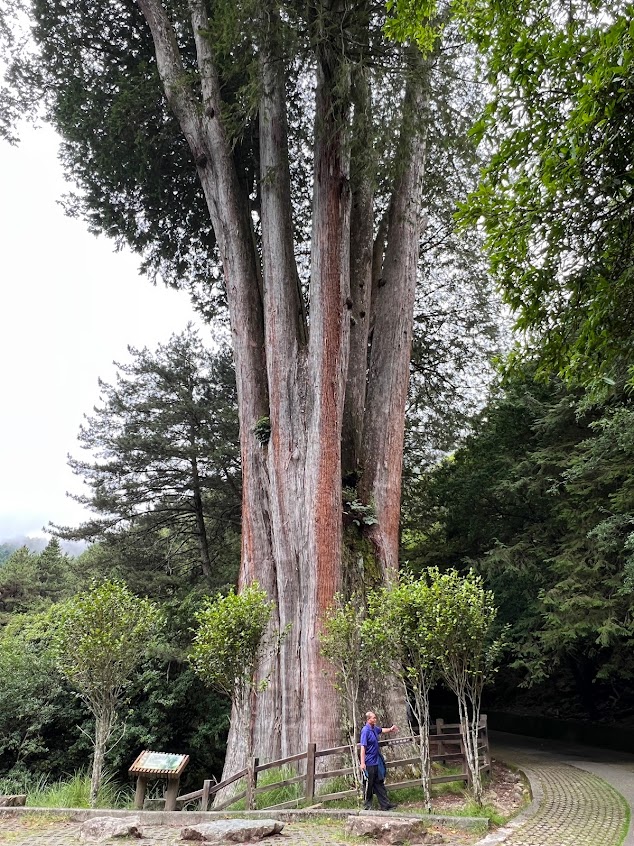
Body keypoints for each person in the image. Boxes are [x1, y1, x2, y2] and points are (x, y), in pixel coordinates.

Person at [359, 710, 398, 811]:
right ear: (368, 719)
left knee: (379, 783)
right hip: (369, 762)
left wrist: (390, 729)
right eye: (373, 718)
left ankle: (385, 805)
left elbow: (381, 730)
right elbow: (363, 747)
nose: (375, 719)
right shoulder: (365, 731)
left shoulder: (374, 728)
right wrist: (362, 763)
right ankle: (367, 806)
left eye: (375, 717)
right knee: (369, 784)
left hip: (376, 761)